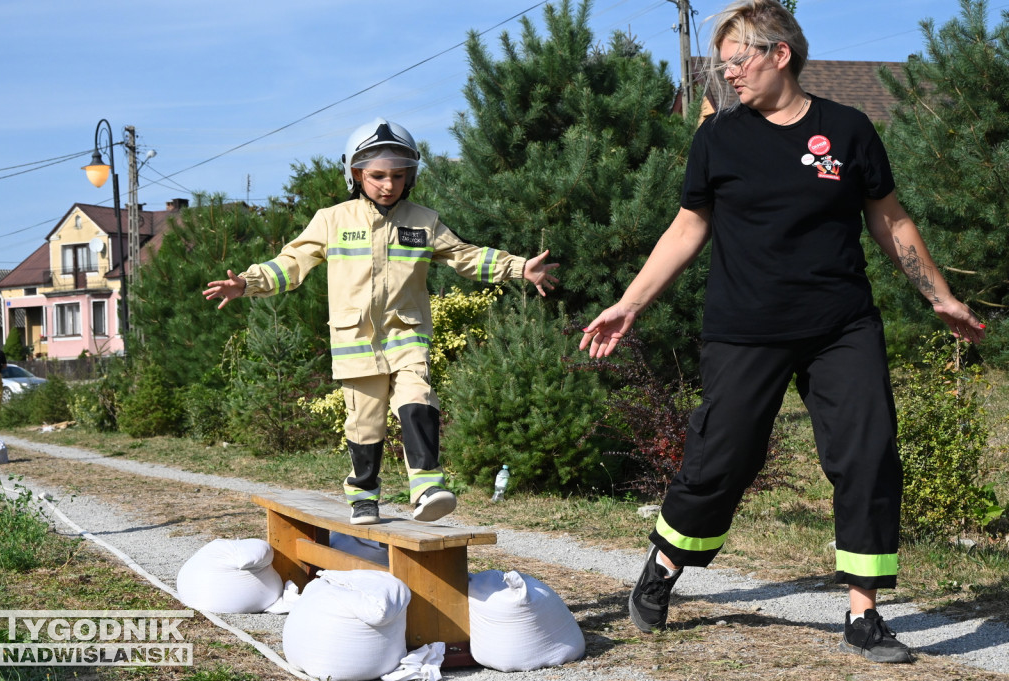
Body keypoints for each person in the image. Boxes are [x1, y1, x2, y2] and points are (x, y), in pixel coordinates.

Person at [579, 0, 985, 665]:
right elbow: (688, 228)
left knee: (868, 453)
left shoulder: (849, 130)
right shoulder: (719, 139)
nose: (727, 74)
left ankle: (863, 612)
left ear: (778, 53)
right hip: (746, 327)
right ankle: (666, 559)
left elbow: (890, 220)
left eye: (735, 60)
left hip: (841, 324)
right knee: (722, 459)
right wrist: (629, 303)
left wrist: (938, 295)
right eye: (722, 63)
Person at [205, 118, 559, 526]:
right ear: (355, 174)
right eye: (377, 176)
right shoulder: (331, 220)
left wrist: (518, 268)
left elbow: (466, 256)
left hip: (407, 334)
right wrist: (247, 283)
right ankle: (364, 495)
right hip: (355, 339)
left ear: (410, 176)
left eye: (397, 175)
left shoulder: (423, 221)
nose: (387, 184)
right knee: (365, 421)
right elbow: (291, 264)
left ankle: (427, 487)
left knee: (418, 400)